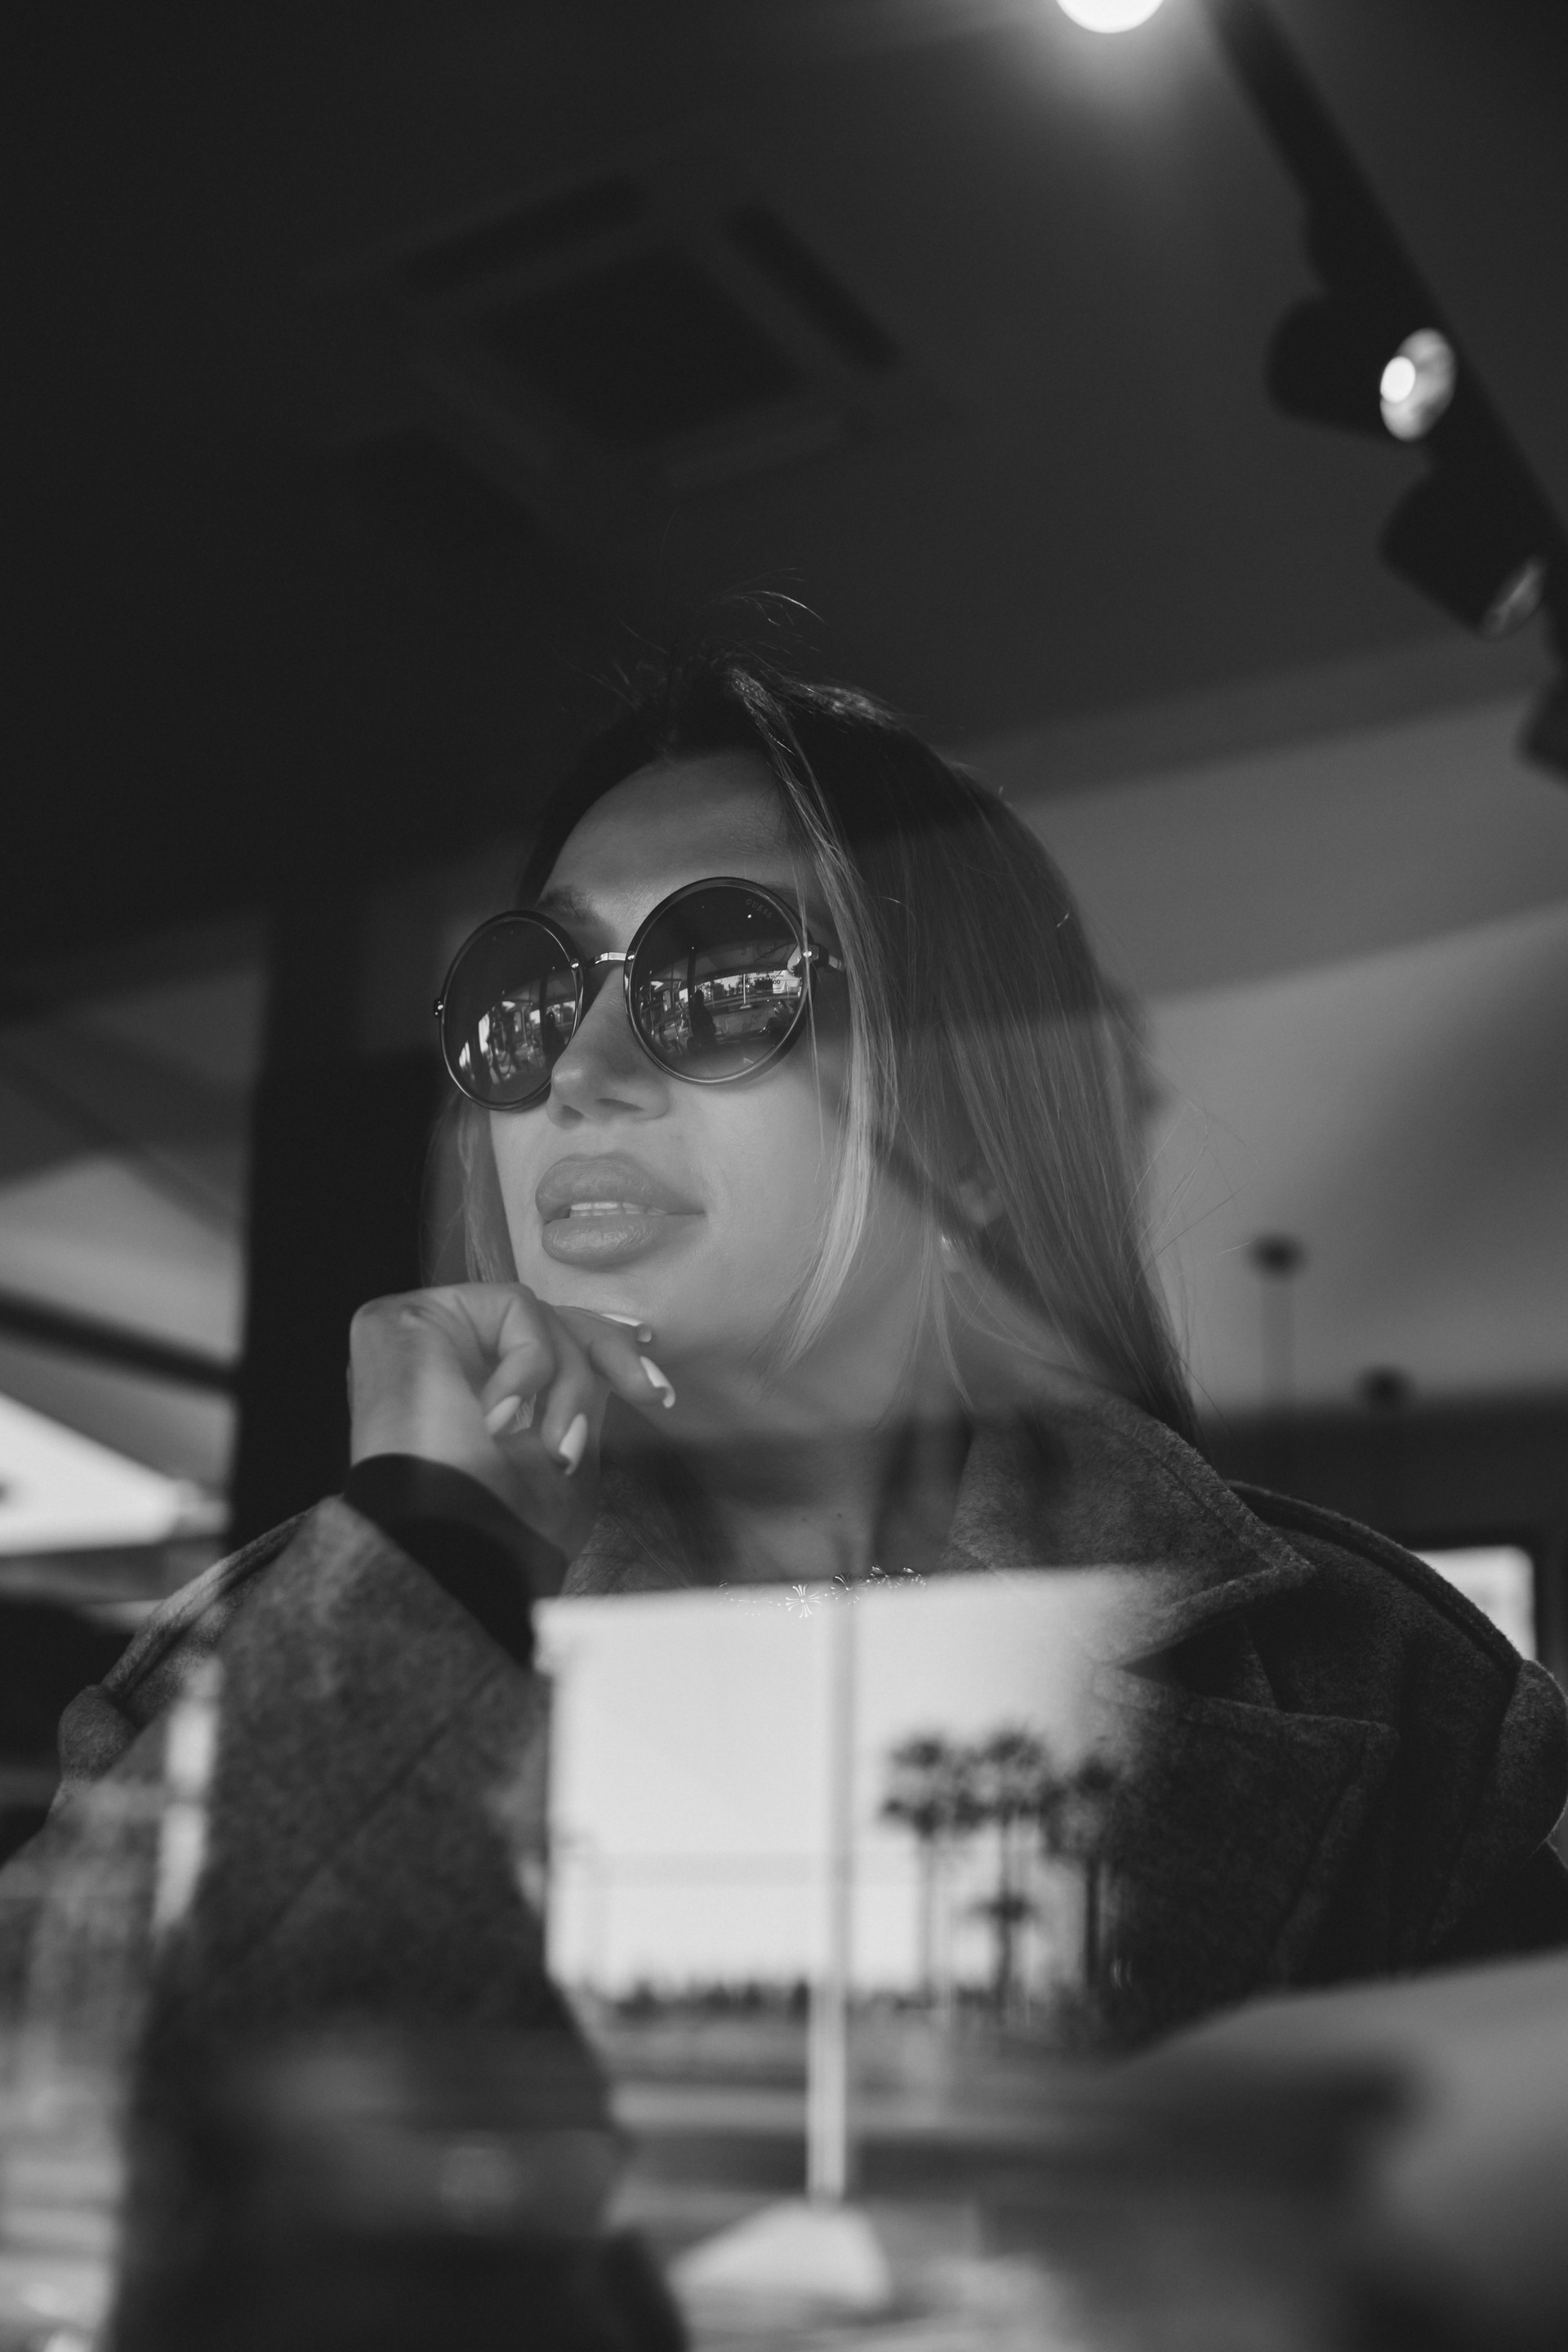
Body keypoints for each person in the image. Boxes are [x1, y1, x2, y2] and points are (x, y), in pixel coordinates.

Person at [5, 648, 1567, 2063]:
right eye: (531, 994)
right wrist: (422, 1575)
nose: (583, 1072)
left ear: (968, 1132)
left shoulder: (1395, 1695)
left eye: (719, 978)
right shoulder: (251, 1667)